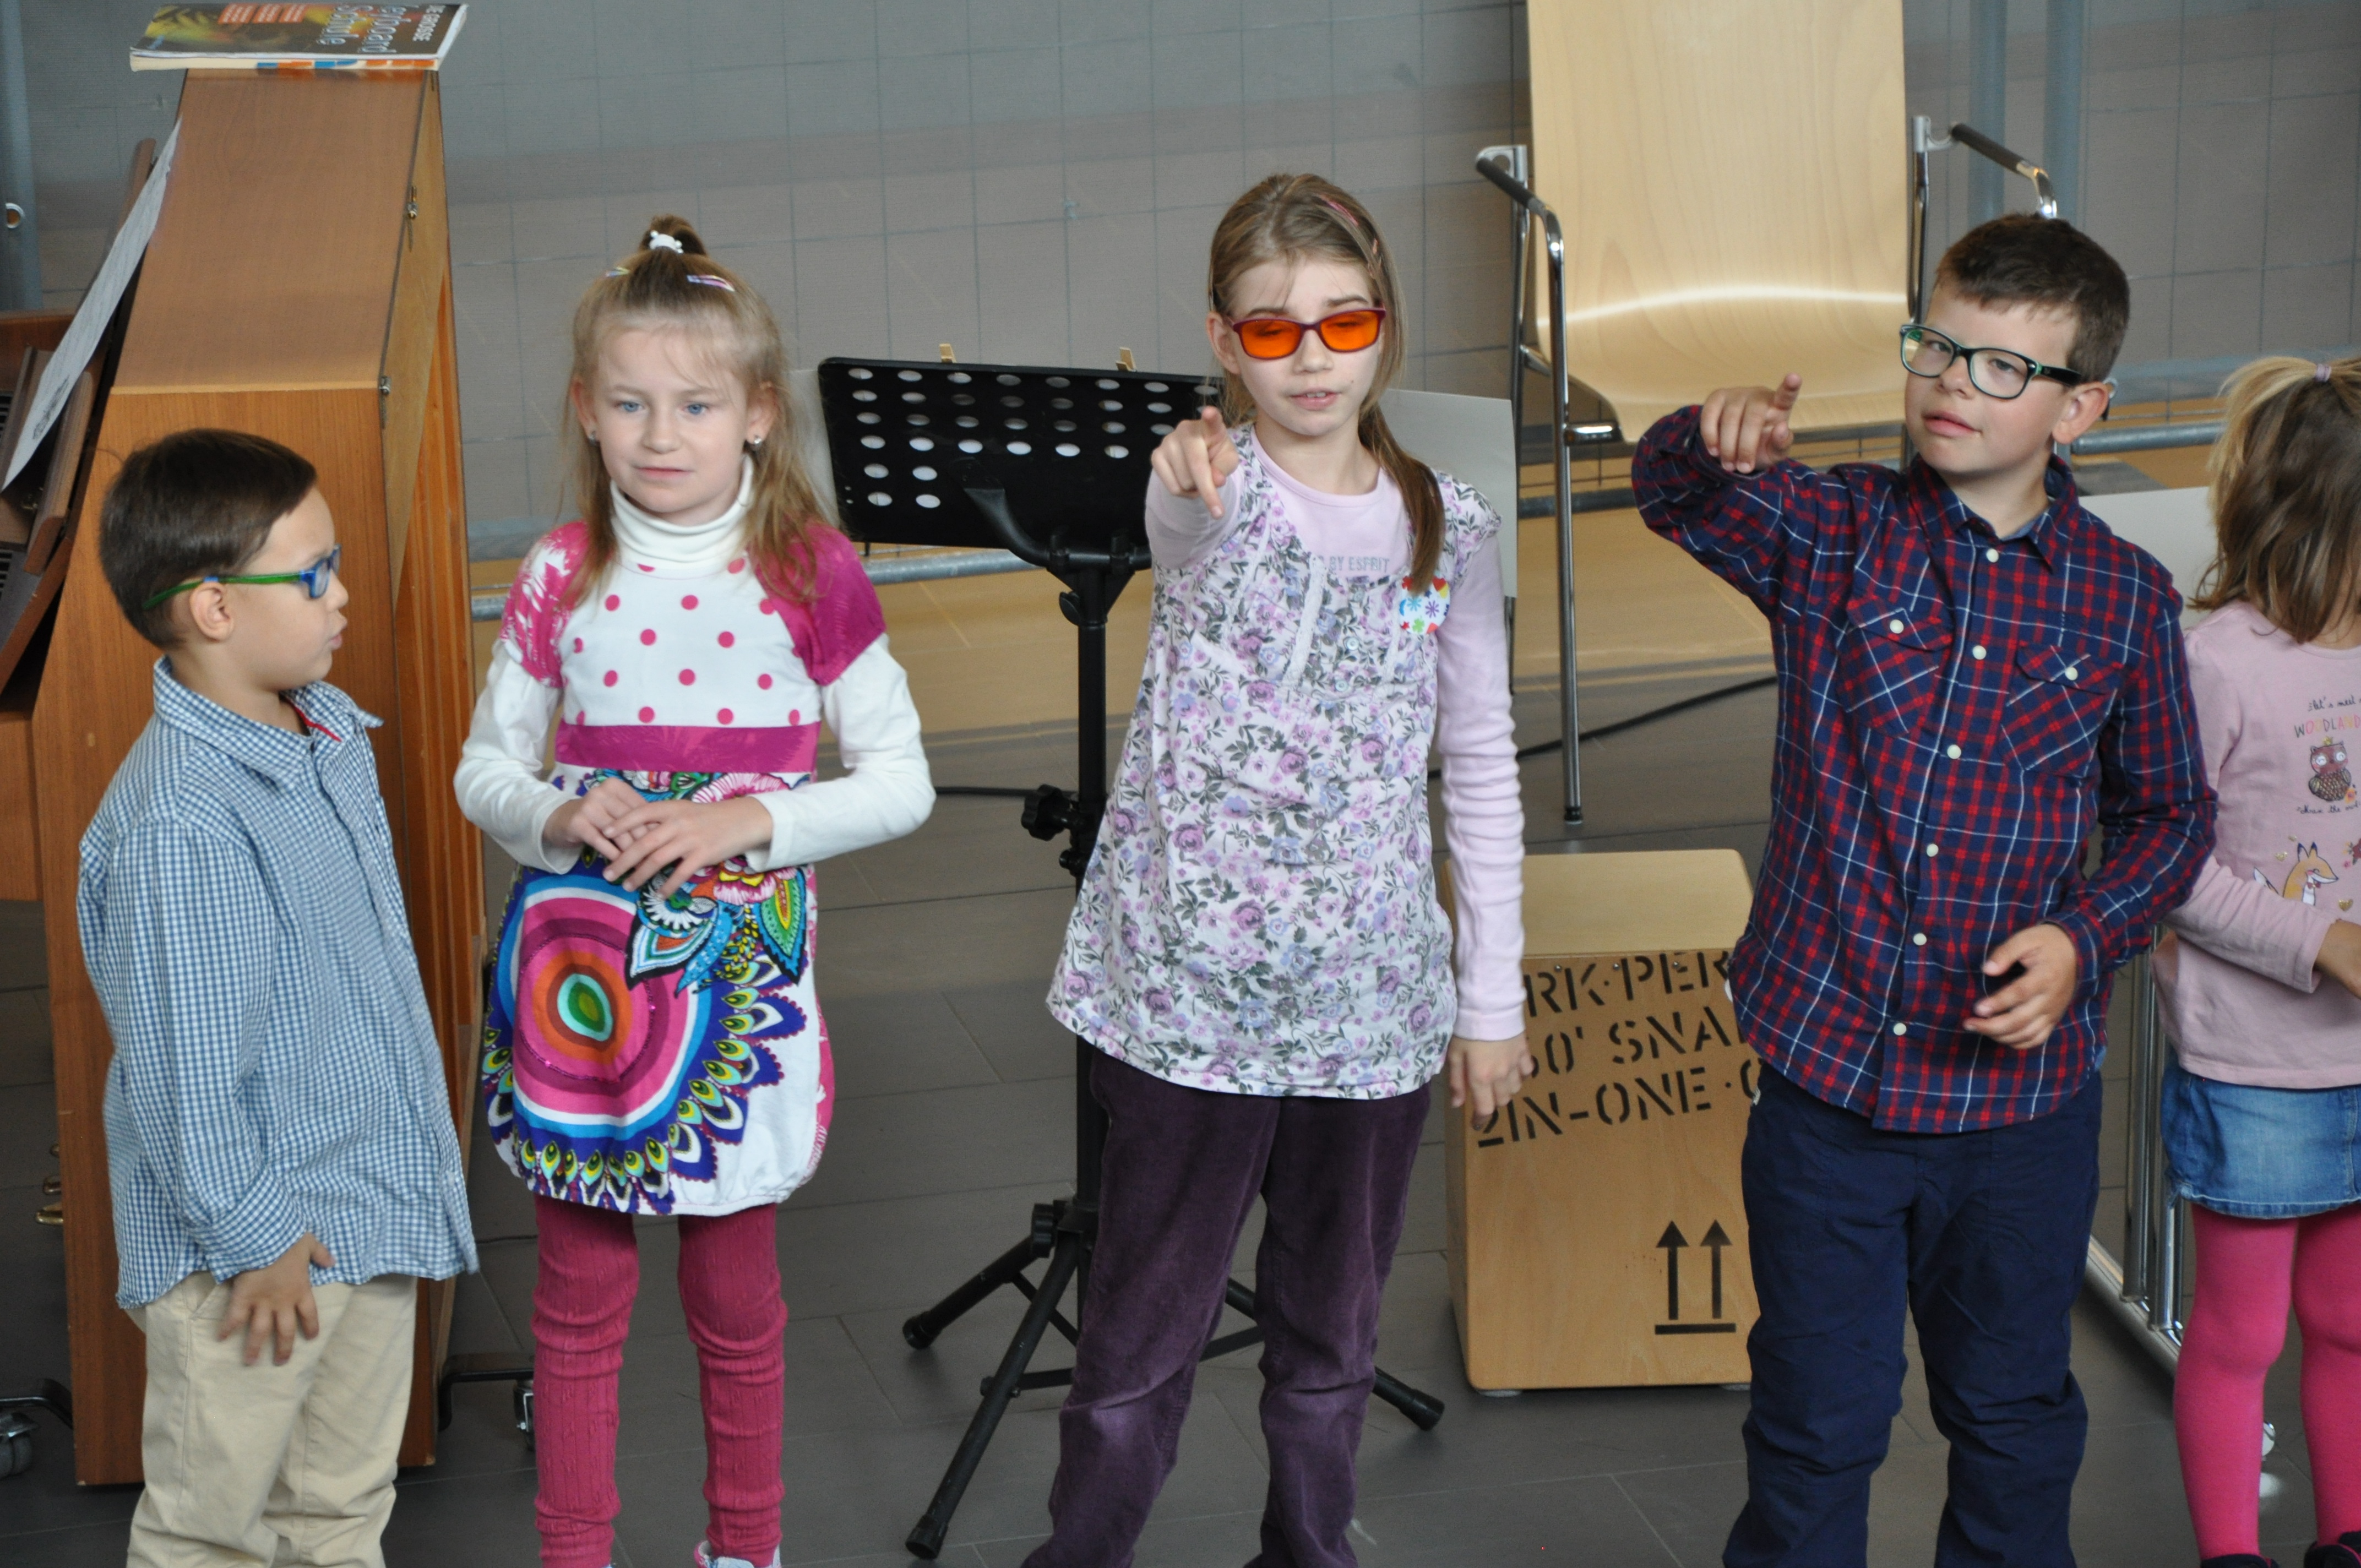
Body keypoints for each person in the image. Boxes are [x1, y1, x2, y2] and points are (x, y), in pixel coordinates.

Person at [1632, 213, 2216, 1566]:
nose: (1954, 383)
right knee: (1813, 1421)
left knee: (2010, 1413)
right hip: (1825, 1094)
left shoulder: (2124, 600)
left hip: (2019, 1120)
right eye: (1936, 347)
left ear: (2079, 408)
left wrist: (2081, 938)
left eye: (2003, 367)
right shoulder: (1826, 529)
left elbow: (2169, 814)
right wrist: (1705, 432)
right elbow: (1672, 493)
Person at [1032, 173, 1531, 1568]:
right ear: (1222, 341)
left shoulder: (1447, 522)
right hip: (1190, 1000)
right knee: (1139, 1337)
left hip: (1367, 998)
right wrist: (1186, 466)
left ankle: (1309, 1547)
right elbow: (1183, 515)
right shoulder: (1205, 489)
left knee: (1331, 1331)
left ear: (1384, 325)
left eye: (1341, 321)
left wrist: (1489, 997)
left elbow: (1478, 760)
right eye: (1270, 329)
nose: (1310, 357)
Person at [454, 219, 933, 1568]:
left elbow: (899, 780)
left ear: (758, 413)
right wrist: (555, 808)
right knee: (576, 1295)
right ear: (584, 410)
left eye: (697, 404)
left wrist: (747, 818)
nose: (661, 434)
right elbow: (483, 769)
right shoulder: (559, 572)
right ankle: (574, 1552)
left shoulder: (811, 572)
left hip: (736, 1007)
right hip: (581, 991)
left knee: (735, 1299)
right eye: (629, 403)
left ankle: (745, 1548)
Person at [80, 428, 476, 1568]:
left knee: (341, 1504)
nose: (341, 595)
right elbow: (186, 1073)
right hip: (256, 1253)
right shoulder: (183, 825)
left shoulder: (319, 733)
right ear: (214, 608)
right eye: (314, 575)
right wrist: (260, 1242)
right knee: (211, 1532)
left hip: (361, 1204)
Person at [2152, 355, 2361, 1568]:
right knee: (2240, 1335)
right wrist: (2324, 941)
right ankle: (2231, 1556)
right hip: (2254, 1068)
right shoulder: (2218, 663)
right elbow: (2167, 867)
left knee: (2350, 1322)